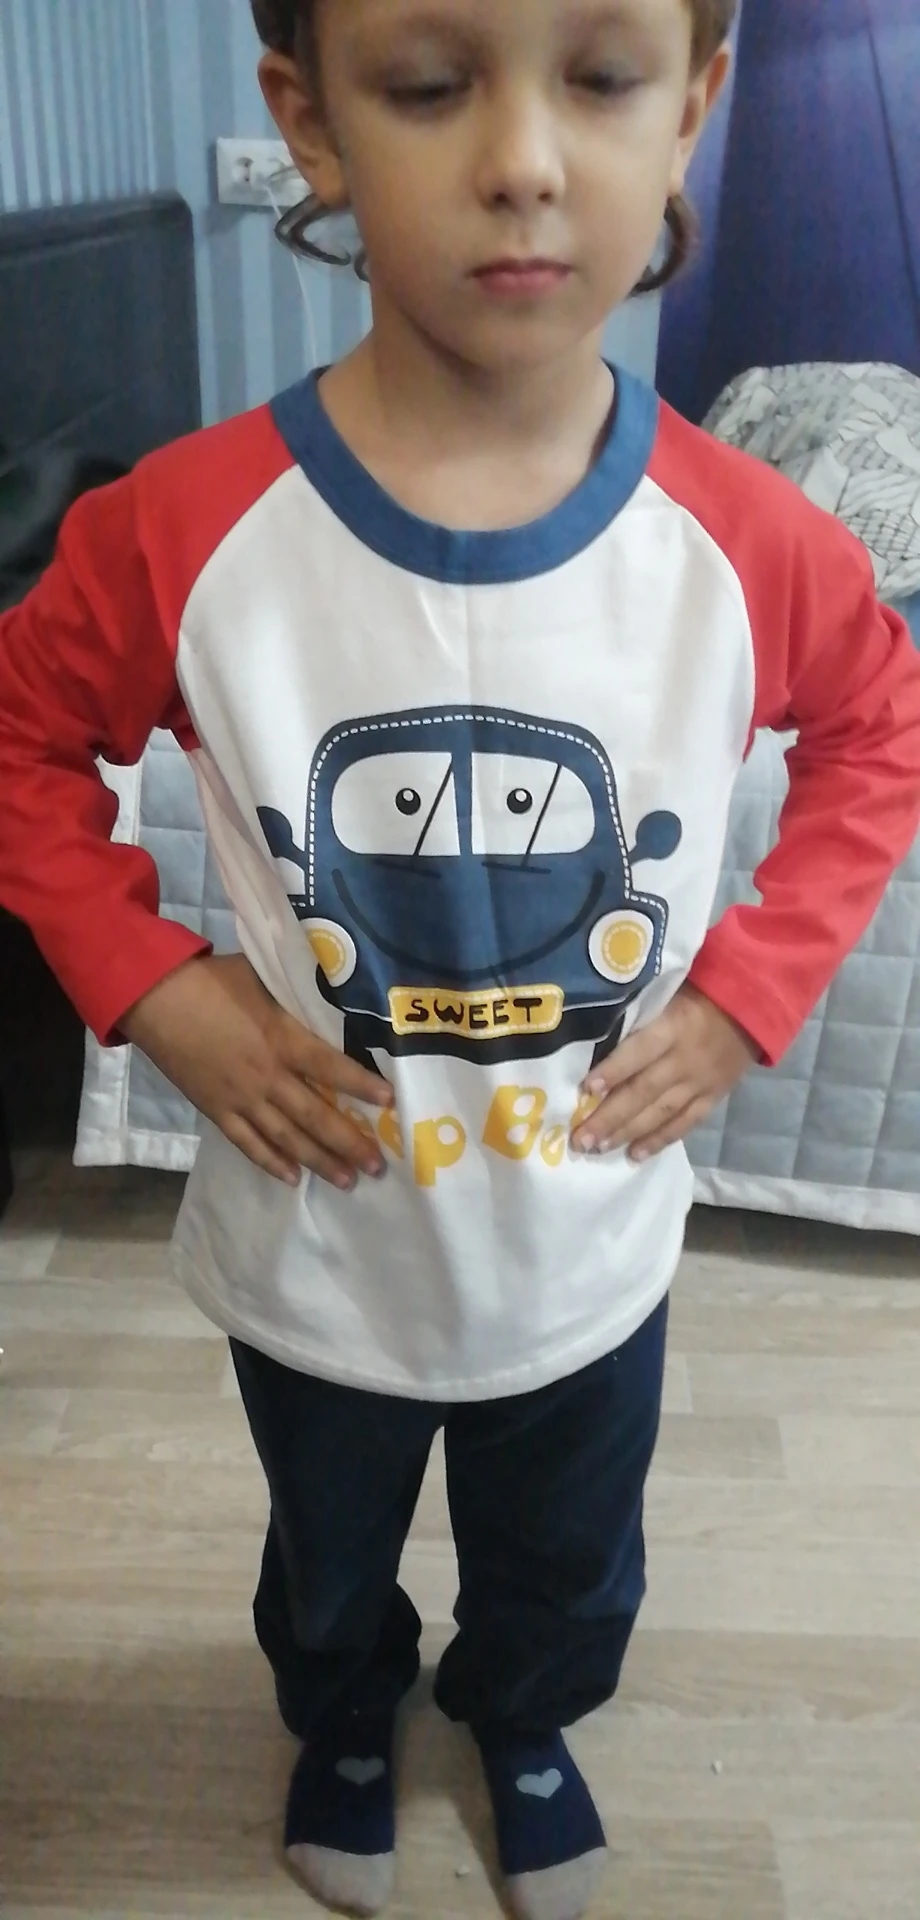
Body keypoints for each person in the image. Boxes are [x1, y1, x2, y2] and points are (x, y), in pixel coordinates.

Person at [2, 1, 919, 1914]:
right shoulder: (185, 530)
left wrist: (749, 993)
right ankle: (343, 1717)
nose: (520, 161)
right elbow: (18, 742)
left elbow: (879, 731)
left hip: (589, 1242)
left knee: (569, 1557)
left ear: (695, 108)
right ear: (311, 122)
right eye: (430, 86)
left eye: (601, 78)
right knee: (325, 1560)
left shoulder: (743, 539)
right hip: (318, 1239)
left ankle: (525, 1716)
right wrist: (153, 983)